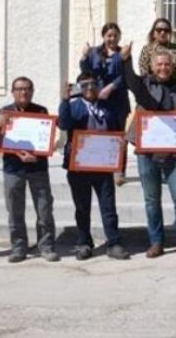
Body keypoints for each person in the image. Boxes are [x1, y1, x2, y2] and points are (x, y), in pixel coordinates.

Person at [121, 44, 176, 260]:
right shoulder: (144, 86)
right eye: (159, 64)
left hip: (174, 154)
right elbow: (130, 81)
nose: (163, 68)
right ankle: (156, 242)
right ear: (152, 66)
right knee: (151, 200)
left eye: (167, 64)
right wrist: (126, 60)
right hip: (147, 154)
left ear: (172, 66)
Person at [0, 77, 57, 262]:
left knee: (44, 210)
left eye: (27, 89)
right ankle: (18, 247)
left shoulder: (41, 111)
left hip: (37, 168)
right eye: (19, 89)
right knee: (15, 212)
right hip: (13, 170)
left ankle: (46, 246)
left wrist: (36, 156)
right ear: (13, 91)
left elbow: (44, 140)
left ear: (32, 91)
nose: (23, 92)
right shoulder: (5, 112)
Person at [57, 72, 129, 261]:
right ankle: (84, 243)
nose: (89, 88)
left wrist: (119, 161)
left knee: (108, 207)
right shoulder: (74, 107)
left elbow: (117, 133)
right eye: (85, 85)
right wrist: (64, 101)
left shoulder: (108, 107)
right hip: (78, 166)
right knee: (82, 207)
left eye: (93, 84)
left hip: (103, 167)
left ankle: (114, 242)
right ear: (78, 88)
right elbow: (63, 124)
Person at [81, 22, 133, 187]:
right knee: (101, 133)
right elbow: (85, 72)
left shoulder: (123, 53)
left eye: (115, 35)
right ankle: (103, 167)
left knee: (119, 136)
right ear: (103, 36)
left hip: (118, 101)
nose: (112, 38)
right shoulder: (95, 52)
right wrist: (83, 57)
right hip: (100, 100)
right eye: (109, 35)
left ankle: (119, 171)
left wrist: (111, 87)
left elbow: (126, 76)